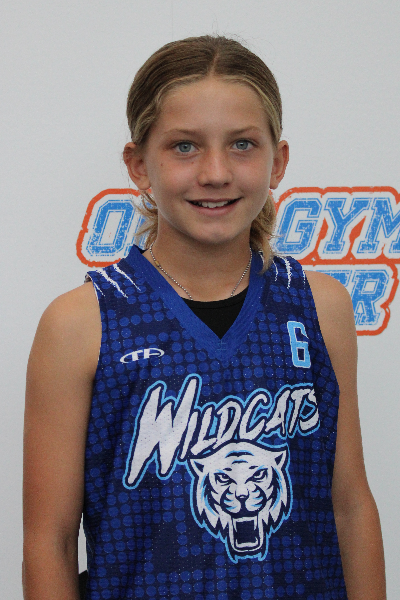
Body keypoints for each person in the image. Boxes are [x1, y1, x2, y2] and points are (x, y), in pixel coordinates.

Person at [23, 35, 386, 600]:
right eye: (185, 146)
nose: (215, 172)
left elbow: (350, 505)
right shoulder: (81, 323)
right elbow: (49, 540)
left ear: (278, 161)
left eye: (242, 144)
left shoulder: (321, 306)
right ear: (139, 165)